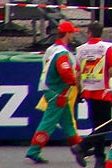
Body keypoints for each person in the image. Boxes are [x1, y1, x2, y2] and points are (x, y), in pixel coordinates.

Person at [27, 20, 84, 164]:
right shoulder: (62, 54)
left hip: (55, 91)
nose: (73, 36)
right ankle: (33, 150)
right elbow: (65, 72)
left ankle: (79, 147)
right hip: (57, 92)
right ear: (67, 34)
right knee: (48, 123)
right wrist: (74, 82)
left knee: (67, 123)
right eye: (72, 33)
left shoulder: (52, 49)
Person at [77, 22, 112, 168]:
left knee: (98, 125)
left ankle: (99, 159)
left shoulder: (81, 49)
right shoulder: (107, 47)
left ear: (89, 33)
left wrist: (79, 90)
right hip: (102, 92)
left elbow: (77, 73)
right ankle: (82, 146)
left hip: (88, 91)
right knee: (106, 126)